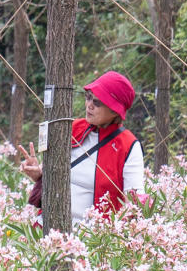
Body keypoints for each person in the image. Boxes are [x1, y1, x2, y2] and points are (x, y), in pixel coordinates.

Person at [19, 71, 144, 226]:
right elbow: (54, 172)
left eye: (97, 102)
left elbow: (134, 202)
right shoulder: (72, 127)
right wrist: (39, 173)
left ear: (114, 110)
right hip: (47, 226)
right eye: (88, 97)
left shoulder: (128, 145)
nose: (89, 105)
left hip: (91, 239)